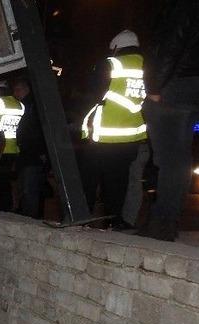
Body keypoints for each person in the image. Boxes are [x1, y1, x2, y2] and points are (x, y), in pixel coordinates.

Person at [140, 1, 199, 241]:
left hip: (175, 86)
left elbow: (171, 45)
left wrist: (155, 87)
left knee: (170, 160)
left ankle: (162, 223)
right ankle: (167, 220)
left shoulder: (184, 6)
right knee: (179, 156)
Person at [80, 30, 148, 229]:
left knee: (89, 177)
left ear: (116, 47)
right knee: (119, 180)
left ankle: (82, 217)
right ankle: (115, 220)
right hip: (131, 137)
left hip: (103, 135)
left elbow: (91, 95)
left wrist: (82, 125)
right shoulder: (148, 66)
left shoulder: (111, 64)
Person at [0, 81, 25, 211]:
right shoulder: (20, 105)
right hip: (13, 148)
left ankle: (3, 207)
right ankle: (11, 206)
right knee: (7, 180)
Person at [13, 78, 46, 219]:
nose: (15, 93)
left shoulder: (31, 106)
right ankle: (30, 215)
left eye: (18, 90)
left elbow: (35, 131)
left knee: (29, 189)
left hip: (32, 154)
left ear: (26, 89)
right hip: (28, 153)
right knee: (27, 188)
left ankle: (31, 217)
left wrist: (40, 152)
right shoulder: (28, 105)